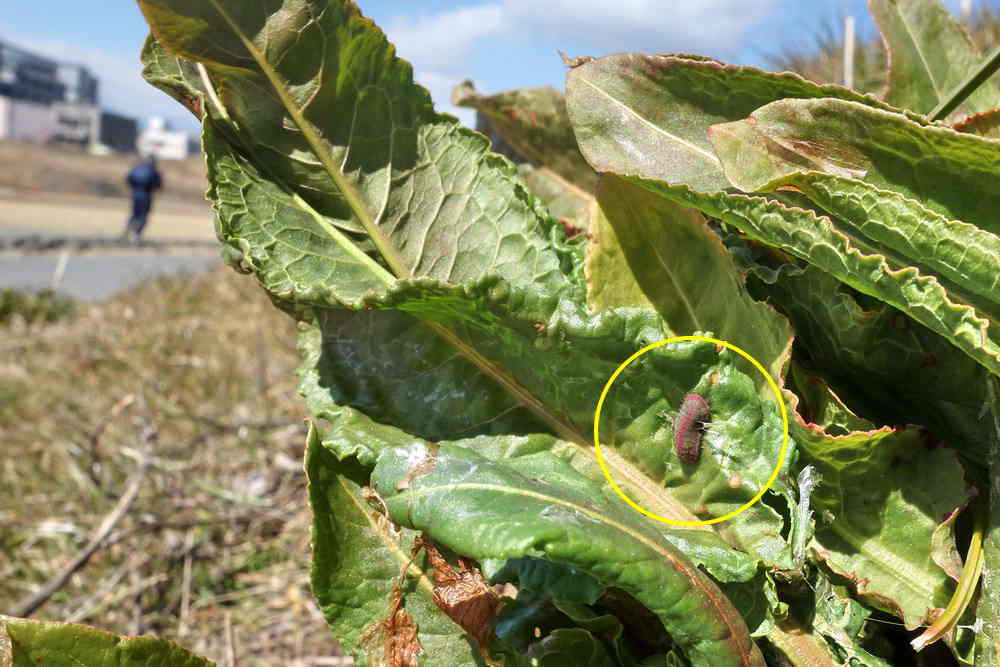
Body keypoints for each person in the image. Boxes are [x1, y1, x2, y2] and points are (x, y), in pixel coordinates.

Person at [123, 155, 163, 242]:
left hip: (135, 194)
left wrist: (133, 188)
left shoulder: (137, 168)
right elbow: (158, 183)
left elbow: (128, 178)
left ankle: (128, 229)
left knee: (135, 213)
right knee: (143, 215)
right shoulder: (153, 170)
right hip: (146, 195)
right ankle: (136, 234)